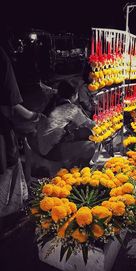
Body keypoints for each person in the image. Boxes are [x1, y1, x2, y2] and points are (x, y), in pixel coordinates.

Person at [0, 32, 41, 228]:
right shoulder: (2, 58)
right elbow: (13, 104)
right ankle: (8, 218)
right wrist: (34, 116)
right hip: (2, 130)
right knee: (8, 167)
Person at [27, 80, 96, 176]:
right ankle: (78, 173)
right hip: (50, 151)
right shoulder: (70, 108)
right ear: (74, 95)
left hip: (40, 146)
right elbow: (89, 124)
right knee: (90, 146)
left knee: (80, 133)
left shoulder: (51, 103)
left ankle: (69, 164)